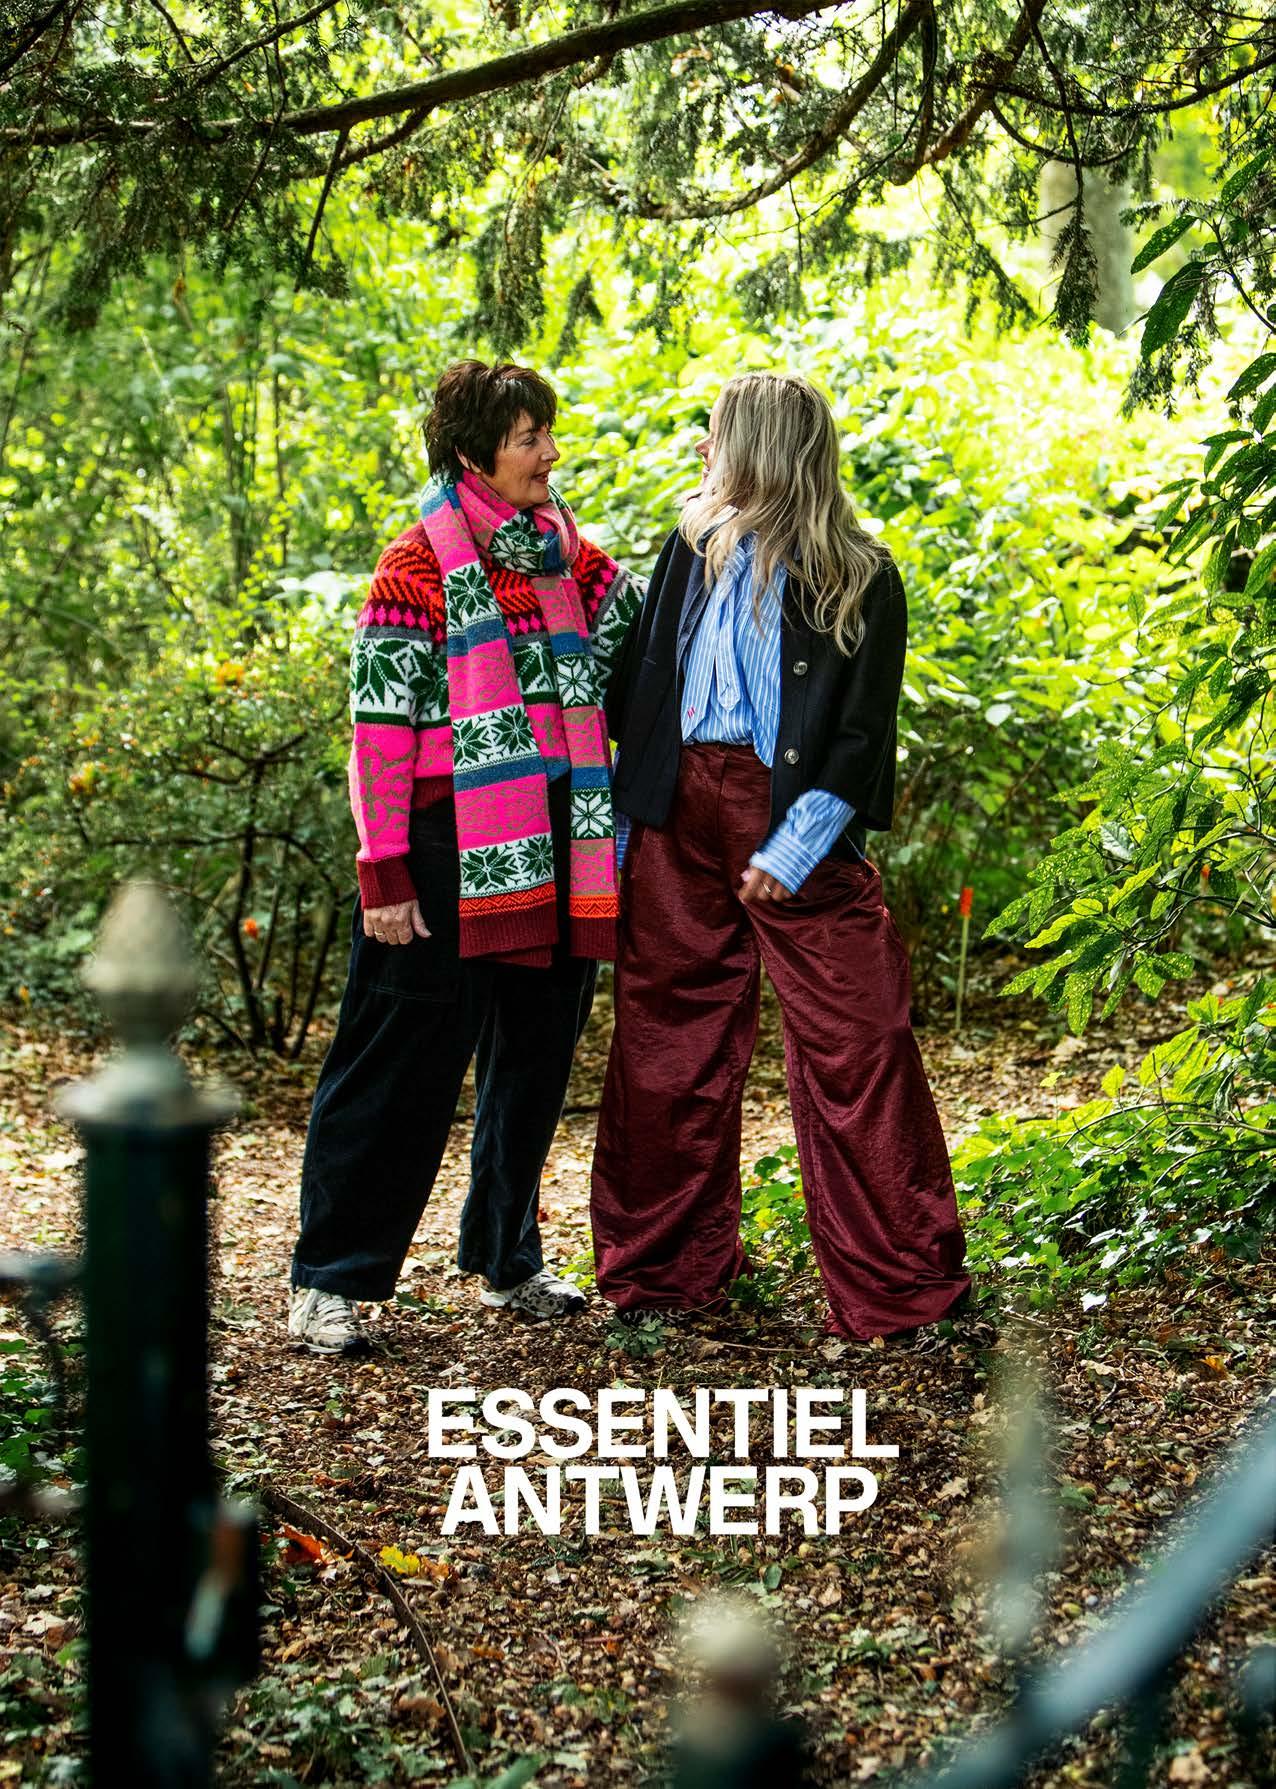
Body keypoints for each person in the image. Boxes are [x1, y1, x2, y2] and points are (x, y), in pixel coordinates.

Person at [590, 370, 969, 1341]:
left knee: (862, 1039)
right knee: (668, 1041)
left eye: (717, 433)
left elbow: (859, 736)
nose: (704, 449)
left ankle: (899, 1290)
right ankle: (662, 1274)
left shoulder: (860, 573)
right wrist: (629, 833)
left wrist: (791, 849)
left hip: (795, 822)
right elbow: (646, 689)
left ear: (759, 447)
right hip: (677, 814)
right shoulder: (691, 545)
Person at [289, 359, 642, 1353]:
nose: (550, 454)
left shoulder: (569, 558)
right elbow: (379, 729)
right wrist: (384, 870)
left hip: (561, 835)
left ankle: (507, 1259)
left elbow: (645, 632)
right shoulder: (415, 565)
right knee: (397, 1063)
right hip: (449, 846)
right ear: (472, 452)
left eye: (547, 433)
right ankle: (329, 1277)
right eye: (530, 438)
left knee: (533, 1057)